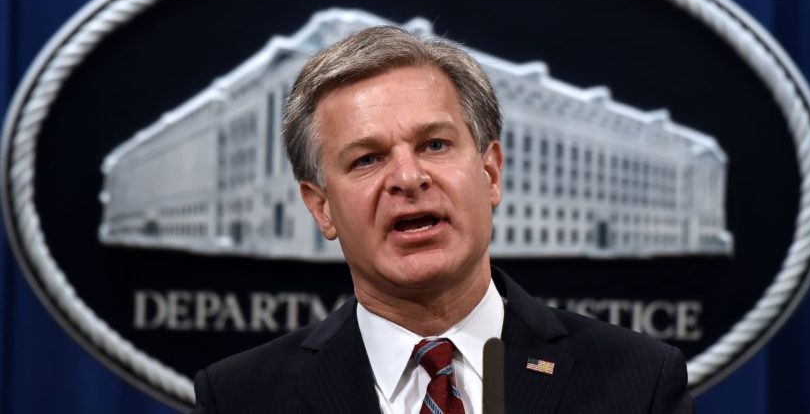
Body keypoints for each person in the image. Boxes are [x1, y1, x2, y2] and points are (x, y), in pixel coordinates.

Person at [191, 25, 693, 414]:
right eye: (367, 158)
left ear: (490, 173)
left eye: (435, 145)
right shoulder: (240, 396)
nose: (408, 178)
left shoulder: (638, 380)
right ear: (322, 207)